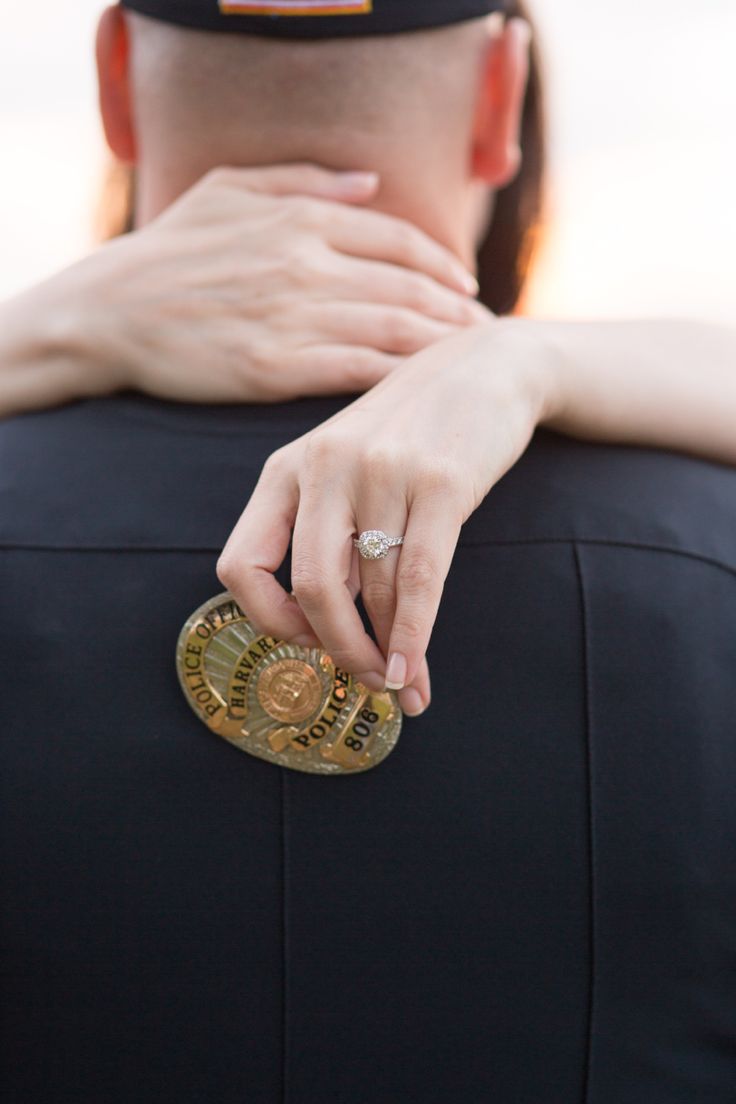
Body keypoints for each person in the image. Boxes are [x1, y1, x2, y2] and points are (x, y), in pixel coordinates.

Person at [1, 1, 735, 1101]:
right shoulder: (705, 546)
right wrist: (528, 361)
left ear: (114, 84)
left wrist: (29, 330)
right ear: (500, 96)